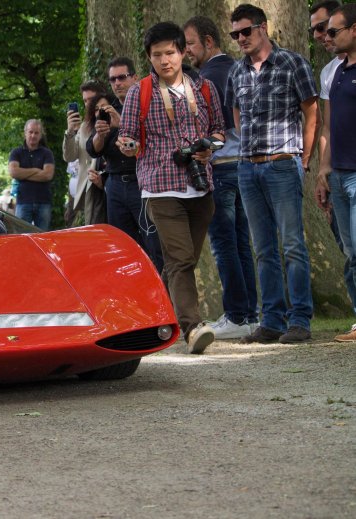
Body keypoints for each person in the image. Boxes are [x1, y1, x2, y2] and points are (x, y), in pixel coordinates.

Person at [118, 22, 225, 354]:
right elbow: (129, 136)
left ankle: (153, 318)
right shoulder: (140, 91)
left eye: (170, 53)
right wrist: (127, 144)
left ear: (182, 52)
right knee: (179, 258)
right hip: (160, 186)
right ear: (149, 58)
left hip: (200, 185)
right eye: (156, 55)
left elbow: (220, 131)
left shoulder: (204, 88)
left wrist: (212, 147)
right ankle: (193, 328)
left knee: (185, 261)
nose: (164, 60)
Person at [225, 4, 318, 344]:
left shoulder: (293, 63)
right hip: (248, 167)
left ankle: (300, 320)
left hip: (283, 163)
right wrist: (249, 156)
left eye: (245, 31)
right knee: (263, 248)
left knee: (292, 244)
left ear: (263, 27)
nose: (240, 39)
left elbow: (312, 113)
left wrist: (303, 158)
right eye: (235, 34)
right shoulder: (237, 72)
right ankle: (273, 320)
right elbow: (237, 115)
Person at [183, 16, 258, 340]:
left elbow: (210, 128)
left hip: (223, 165)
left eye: (190, 44)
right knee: (241, 242)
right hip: (243, 164)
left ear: (209, 41)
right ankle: (249, 313)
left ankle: (237, 314)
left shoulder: (207, 78)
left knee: (225, 244)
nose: (186, 51)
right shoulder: (239, 68)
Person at [86, 58, 165, 275]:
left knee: (152, 243)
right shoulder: (108, 107)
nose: (117, 83)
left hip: (141, 182)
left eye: (122, 77)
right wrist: (100, 136)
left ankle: (160, 295)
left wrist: (121, 123)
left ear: (134, 77)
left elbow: (157, 139)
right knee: (123, 246)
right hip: (114, 186)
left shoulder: (148, 103)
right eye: (112, 79)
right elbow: (93, 149)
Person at [310, 1, 356, 318]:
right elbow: (328, 124)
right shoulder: (335, 71)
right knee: (350, 252)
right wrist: (323, 170)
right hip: (338, 174)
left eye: (334, 30)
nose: (328, 35)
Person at [63, 80, 107, 226]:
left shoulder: (113, 120)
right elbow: (69, 156)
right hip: (89, 190)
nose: (88, 104)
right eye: (85, 100)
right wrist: (70, 131)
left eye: (92, 99)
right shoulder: (83, 127)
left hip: (109, 187)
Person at [8, 119, 55, 230]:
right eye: (30, 132)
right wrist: (36, 170)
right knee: (22, 237)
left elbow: (48, 175)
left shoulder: (47, 153)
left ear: (40, 135)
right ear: (25, 133)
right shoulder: (16, 152)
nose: (33, 135)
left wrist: (23, 173)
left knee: (42, 238)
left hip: (43, 202)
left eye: (36, 132)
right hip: (23, 202)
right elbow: (13, 172)